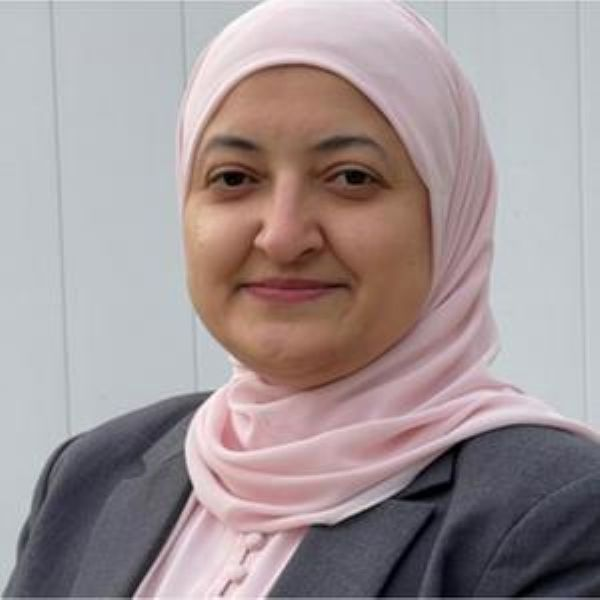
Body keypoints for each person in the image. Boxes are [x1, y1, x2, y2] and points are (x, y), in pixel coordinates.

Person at [5, 0, 600, 597]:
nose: (283, 236)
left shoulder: (555, 515)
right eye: (234, 178)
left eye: (351, 177)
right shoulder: (88, 479)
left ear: (449, 213)